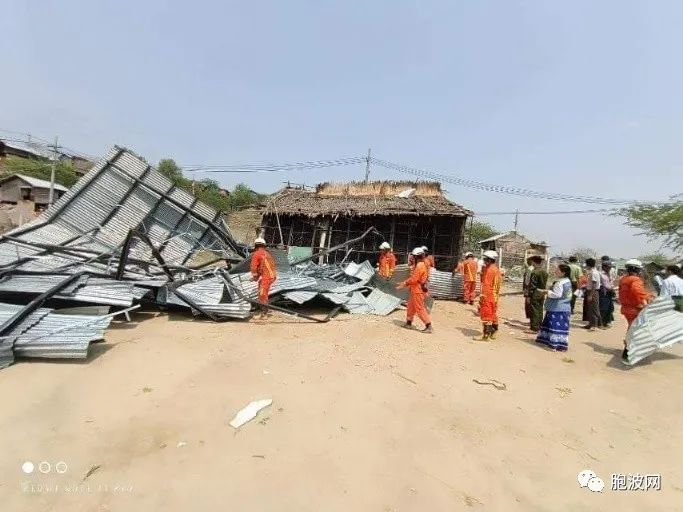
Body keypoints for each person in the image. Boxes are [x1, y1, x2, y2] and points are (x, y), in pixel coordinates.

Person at [535, 264, 573, 351]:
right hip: (565, 307)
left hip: (556, 308)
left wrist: (546, 292)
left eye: (557, 270)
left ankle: (554, 344)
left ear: (563, 273)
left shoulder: (559, 283)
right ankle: (560, 344)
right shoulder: (567, 281)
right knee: (561, 326)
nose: (555, 271)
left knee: (554, 326)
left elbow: (557, 295)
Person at [618, 259, 650, 360]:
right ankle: (627, 352)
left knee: (632, 328)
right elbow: (638, 292)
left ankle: (629, 349)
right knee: (635, 330)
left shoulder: (624, 279)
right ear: (637, 270)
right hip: (635, 309)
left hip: (626, 308)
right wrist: (645, 305)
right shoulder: (635, 280)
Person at [397, 247, 433, 333]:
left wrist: (404, 283)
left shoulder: (420, 266)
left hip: (418, 290)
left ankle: (428, 326)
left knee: (419, 308)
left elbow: (414, 279)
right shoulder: (419, 264)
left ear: (417, 257)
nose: (413, 257)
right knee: (410, 307)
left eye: (414, 256)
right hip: (415, 289)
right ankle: (409, 323)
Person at [474, 250, 502, 341]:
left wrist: (482, 297)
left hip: (488, 295)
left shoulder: (490, 270)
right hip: (494, 296)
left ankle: (485, 335)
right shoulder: (495, 269)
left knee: (486, 315)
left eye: (485, 259)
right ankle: (493, 331)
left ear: (489, 260)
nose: (484, 260)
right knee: (493, 314)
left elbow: (487, 285)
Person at [250, 237, 277, 319]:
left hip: (267, 277)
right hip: (271, 276)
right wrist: (257, 277)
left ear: (256, 245)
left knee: (262, 294)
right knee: (261, 293)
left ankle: (264, 314)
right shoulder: (266, 253)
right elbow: (261, 267)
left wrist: (254, 276)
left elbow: (253, 267)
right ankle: (263, 311)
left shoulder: (257, 254)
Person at [526, 256, 548, 333]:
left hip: (535, 292)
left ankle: (534, 328)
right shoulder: (544, 272)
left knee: (534, 310)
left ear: (533, 262)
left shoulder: (535, 272)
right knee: (540, 309)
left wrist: (528, 295)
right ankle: (540, 325)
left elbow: (532, 285)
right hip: (542, 292)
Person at [583, 258, 602, 331]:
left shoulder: (594, 272)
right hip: (590, 291)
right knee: (590, 308)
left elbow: (594, 284)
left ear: (588, 265)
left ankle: (594, 325)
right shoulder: (592, 272)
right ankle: (590, 323)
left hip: (593, 292)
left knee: (594, 308)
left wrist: (591, 295)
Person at [598, 261, 615, 328]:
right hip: (603, 292)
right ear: (604, 267)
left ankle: (607, 322)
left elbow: (611, 282)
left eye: (610, 267)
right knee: (603, 308)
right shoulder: (600, 274)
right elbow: (600, 284)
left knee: (610, 308)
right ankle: (600, 323)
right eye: (608, 267)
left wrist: (612, 289)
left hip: (610, 293)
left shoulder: (610, 274)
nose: (610, 268)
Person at [522, 257, 534, 321]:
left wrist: (525, 290)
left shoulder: (529, 269)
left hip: (528, 289)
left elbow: (527, 281)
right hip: (530, 289)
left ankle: (531, 318)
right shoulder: (531, 269)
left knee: (528, 303)